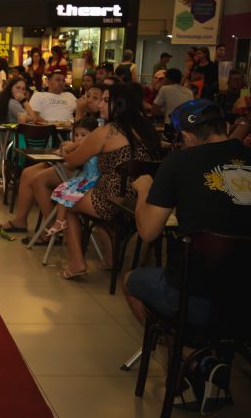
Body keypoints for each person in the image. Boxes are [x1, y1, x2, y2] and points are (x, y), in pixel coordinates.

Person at [126, 99, 250, 326]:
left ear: (187, 136)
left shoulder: (179, 161)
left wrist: (144, 189)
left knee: (130, 281)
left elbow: (148, 232)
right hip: (244, 298)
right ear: (226, 127)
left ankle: (181, 347)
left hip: (195, 296)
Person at [57, 82, 161, 279]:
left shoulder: (108, 131)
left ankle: (77, 263)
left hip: (113, 200)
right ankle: (110, 259)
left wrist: (68, 148)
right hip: (144, 200)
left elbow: (71, 163)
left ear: (120, 104)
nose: (100, 105)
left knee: (67, 201)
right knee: (93, 206)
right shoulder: (148, 129)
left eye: (106, 101)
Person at [43, 117, 100, 237]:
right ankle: (60, 221)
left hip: (92, 180)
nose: (79, 138)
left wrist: (72, 146)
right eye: (76, 135)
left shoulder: (92, 148)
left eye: (83, 135)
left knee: (66, 192)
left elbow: (69, 158)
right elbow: (66, 149)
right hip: (83, 178)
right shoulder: (83, 147)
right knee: (63, 188)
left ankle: (60, 222)